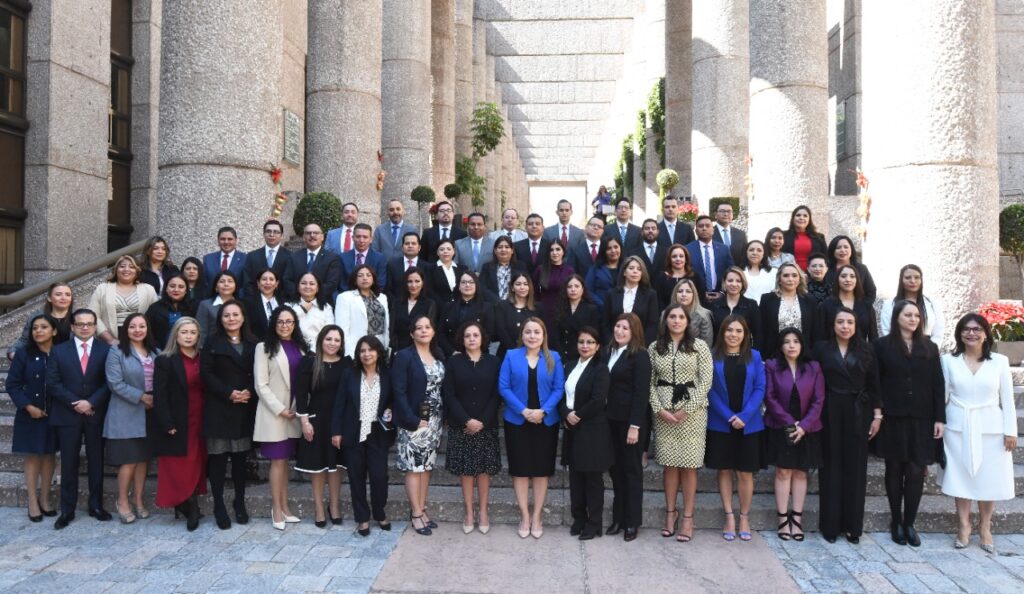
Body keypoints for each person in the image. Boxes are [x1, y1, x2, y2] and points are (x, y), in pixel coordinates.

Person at [940, 314, 1018, 553]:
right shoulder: (948, 361)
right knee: (961, 476)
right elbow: (942, 396)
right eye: (966, 329)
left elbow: (1007, 399)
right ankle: (963, 525)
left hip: (991, 429)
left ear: (985, 333)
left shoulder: (1000, 361)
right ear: (959, 334)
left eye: (976, 329)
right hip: (957, 427)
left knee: (988, 478)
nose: (971, 333)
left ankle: (985, 526)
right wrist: (938, 422)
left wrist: (1010, 431)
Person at [873, 300, 945, 547]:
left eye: (916, 315)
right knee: (894, 469)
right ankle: (896, 520)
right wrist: (878, 412)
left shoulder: (929, 347)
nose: (913, 319)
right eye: (908, 315)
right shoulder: (881, 346)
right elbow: (875, 382)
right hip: (892, 417)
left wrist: (939, 418)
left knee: (915, 470)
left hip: (922, 418)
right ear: (897, 317)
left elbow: (938, 384)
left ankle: (909, 523)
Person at [813, 307, 882, 544]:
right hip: (829, 410)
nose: (845, 326)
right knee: (830, 466)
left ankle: (853, 527)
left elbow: (874, 384)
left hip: (858, 411)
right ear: (833, 325)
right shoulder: (821, 348)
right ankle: (830, 526)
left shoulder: (867, 349)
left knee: (856, 468)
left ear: (856, 326)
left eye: (849, 322)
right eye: (840, 322)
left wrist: (877, 416)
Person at [649, 304, 714, 543]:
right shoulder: (654, 347)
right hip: (663, 412)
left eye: (680, 317)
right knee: (669, 465)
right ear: (665, 320)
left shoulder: (699, 346)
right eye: (672, 317)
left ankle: (687, 517)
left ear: (688, 321)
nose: (676, 321)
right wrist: (659, 409)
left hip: (692, 413)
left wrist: (687, 409)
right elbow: (649, 382)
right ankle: (670, 513)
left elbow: (706, 381)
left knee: (689, 465)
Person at [499, 318, 565, 539]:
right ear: (522, 335)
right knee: (520, 469)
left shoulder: (554, 357)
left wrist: (543, 411)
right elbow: (504, 387)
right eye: (528, 332)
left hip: (545, 422)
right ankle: (524, 516)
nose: (532, 336)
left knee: (541, 470)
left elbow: (558, 388)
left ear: (544, 335)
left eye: (537, 332)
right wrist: (524, 410)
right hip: (517, 421)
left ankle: (537, 516)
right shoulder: (511, 356)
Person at [46, 308, 112, 528]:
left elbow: (109, 382)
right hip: (68, 414)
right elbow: (53, 383)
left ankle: (96, 506)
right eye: (80, 324)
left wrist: (91, 402)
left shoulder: (106, 350)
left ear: (95, 326)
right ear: (72, 327)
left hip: (96, 413)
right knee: (69, 463)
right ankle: (67, 510)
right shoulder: (58, 351)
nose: (85, 327)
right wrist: (77, 403)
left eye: (90, 324)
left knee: (96, 461)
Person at [705, 315, 766, 542]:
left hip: (749, 424)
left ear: (745, 334)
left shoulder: (755, 356)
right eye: (729, 330)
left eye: (739, 331)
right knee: (724, 470)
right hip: (721, 423)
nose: (734, 335)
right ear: (722, 333)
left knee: (745, 472)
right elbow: (709, 389)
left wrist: (745, 416)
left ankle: (744, 517)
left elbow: (760, 388)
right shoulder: (712, 356)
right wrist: (730, 417)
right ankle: (729, 516)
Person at [200, 300, 258, 529]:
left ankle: (239, 503)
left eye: (235, 314)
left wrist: (249, 391)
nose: (231, 319)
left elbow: (260, 373)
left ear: (243, 317)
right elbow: (206, 373)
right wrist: (229, 393)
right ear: (220, 319)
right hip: (219, 408)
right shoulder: (212, 342)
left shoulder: (253, 343)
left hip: (244, 407)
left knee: (240, 461)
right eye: (226, 315)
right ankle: (219, 506)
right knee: (218, 460)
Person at [763, 328, 824, 541]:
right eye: (787, 342)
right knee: (783, 472)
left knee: (800, 472)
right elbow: (769, 397)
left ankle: (797, 519)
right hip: (781, 425)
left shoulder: (814, 367)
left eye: (796, 341)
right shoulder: (771, 366)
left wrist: (804, 425)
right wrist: (790, 423)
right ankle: (782, 519)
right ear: (781, 346)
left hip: (808, 427)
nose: (791, 345)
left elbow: (819, 399)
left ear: (802, 345)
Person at [443, 322, 502, 534]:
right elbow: (449, 394)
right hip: (462, 426)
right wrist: (466, 420)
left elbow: (497, 394)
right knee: (466, 471)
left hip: (486, 426)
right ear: (462, 339)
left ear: (482, 338)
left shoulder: (494, 362)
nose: (471, 339)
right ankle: (469, 512)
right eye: (467, 335)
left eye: (475, 335)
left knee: (484, 471)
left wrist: (482, 421)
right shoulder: (454, 362)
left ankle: (483, 511)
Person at [333, 336, 395, 537]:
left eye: (370, 350)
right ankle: (362, 518)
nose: (366, 354)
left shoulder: (387, 375)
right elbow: (340, 404)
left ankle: (379, 512)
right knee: (356, 477)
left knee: (379, 476)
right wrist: (336, 431)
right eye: (362, 350)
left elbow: (393, 399)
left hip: (377, 433)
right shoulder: (349, 374)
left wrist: (390, 410)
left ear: (378, 352)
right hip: (353, 432)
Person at [392, 315, 447, 536]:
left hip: (434, 422)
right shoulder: (404, 356)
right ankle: (415, 513)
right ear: (412, 333)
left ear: (433, 331)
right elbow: (398, 391)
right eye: (419, 328)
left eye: (427, 327)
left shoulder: (438, 354)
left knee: (426, 467)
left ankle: (422, 509)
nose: (424, 331)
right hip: (413, 421)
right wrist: (412, 419)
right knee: (414, 468)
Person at [254, 306, 307, 530]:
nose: (285, 326)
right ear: (274, 324)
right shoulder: (263, 347)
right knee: (277, 462)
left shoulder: (301, 347)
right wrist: (280, 409)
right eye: (280, 322)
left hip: (293, 412)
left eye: (289, 322)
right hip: (274, 413)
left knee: (285, 462)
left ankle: (285, 507)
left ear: (295, 324)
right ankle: (276, 508)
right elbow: (261, 384)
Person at [152, 317, 206, 531]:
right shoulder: (165, 360)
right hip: (178, 420)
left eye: (193, 332)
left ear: (198, 336)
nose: (188, 336)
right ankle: (189, 506)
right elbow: (160, 395)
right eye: (184, 332)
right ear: (175, 335)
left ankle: (188, 502)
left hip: (201, 417)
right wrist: (167, 423)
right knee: (181, 464)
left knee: (197, 462)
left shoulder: (204, 357)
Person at [103, 313, 157, 524]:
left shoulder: (155, 351)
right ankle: (122, 501)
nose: (137, 330)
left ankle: (138, 499)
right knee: (129, 460)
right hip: (126, 412)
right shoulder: (116, 351)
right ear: (125, 329)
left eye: (142, 326)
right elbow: (114, 383)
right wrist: (141, 396)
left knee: (143, 459)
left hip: (150, 412)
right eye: (132, 326)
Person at [560, 327, 612, 541]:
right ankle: (579, 518)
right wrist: (566, 413)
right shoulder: (569, 366)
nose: (585, 346)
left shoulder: (601, 369)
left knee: (592, 479)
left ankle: (594, 523)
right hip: (572, 428)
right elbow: (560, 395)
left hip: (592, 429)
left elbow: (598, 400)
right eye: (581, 341)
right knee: (575, 477)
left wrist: (577, 415)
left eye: (590, 342)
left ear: (598, 346)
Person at [6, 314, 59, 521]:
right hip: (30, 413)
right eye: (35, 328)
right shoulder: (23, 354)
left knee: (49, 455)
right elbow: (12, 385)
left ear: (54, 331)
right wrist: (28, 407)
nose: (38, 331)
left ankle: (45, 499)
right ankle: (32, 501)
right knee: (33, 456)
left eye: (44, 327)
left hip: (55, 413)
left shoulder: (61, 352)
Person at [294, 326, 348, 527]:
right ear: (321, 340)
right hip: (316, 421)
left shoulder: (347, 363)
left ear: (341, 343)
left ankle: (334, 506)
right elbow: (300, 394)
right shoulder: (310, 362)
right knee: (317, 468)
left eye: (337, 340)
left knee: (336, 467)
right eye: (328, 339)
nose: (332, 343)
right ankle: (318, 508)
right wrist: (305, 422)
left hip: (339, 422)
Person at [605, 313, 652, 541]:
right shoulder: (609, 352)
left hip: (631, 423)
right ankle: (618, 519)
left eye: (625, 328)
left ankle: (632, 522)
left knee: (632, 472)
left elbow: (641, 393)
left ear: (634, 332)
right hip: (610, 420)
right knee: (616, 471)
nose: (620, 331)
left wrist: (635, 426)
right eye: (617, 326)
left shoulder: (640, 355)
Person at [88, 255, 159, 345]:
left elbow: (156, 317)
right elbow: (92, 315)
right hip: (108, 342)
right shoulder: (102, 288)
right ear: (116, 270)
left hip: (141, 341)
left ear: (137, 270)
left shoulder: (148, 289)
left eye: (131, 267)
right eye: (122, 266)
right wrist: (110, 339)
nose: (126, 269)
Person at [759, 262, 817, 360]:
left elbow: (815, 331)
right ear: (779, 279)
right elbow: (762, 330)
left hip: (803, 356)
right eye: (786, 275)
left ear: (800, 279)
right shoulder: (767, 299)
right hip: (774, 355)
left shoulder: (810, 300)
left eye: (794, 275)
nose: (790, 279)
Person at [879, 264, 945, 345]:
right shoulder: (889, 304)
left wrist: (931, 350)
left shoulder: (933, 304)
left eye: (917, 277)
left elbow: (938, 332)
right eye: (908, 278)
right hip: (897, 348)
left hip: (927, 349)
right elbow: (887, 331)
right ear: (901, 280)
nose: (913, 281)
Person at [8, 282, 74, 360]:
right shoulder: (36, 317)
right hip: (42, 361)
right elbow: (25, 340)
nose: (63, 298)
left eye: (68, 295)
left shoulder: (78, 318)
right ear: (49, 298)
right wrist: (13, 352)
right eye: (58, 294)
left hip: (69, 361)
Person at [335, 265, 389, 359]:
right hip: (357, 346)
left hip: (380, 345)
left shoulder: (382, 297)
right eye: (360, 275)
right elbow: (342, 329)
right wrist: (348, 353)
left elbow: (386, 326)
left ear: (373, 279)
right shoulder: (345, 297)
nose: (365, 278)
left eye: (368, 275)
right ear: (355, 280)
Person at [603, 255, 660, 344]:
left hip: (640, 345)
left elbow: (653, 324)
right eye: (631, 268)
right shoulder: (611, 294)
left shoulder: (650, 295)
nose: (635, 271)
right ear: (624, 272)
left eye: (639, 269)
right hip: (614, 344)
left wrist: (642, 345)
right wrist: (611, 343)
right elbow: (605, 323)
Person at [816, 264, 878, 344]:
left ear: (857, 280)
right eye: (843, 276)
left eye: (852, 276)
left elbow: (873, 337)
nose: (848, 279)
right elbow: (820, 336)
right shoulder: (826, 305)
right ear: (837, 280)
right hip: (832, 350)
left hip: (861, 350)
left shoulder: (867, 306)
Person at [437, 271, 493, 357]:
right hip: (452, 356)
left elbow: (488, 334)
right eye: (463, 282)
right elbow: (441, 333)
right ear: (459, 286)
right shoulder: (448, 307)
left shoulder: (486, 307)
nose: (467, 285)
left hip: (479, 355)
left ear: (476, 285)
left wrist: (474, 352)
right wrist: (452, 352)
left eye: (471, 282)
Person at [708, 267, 762, 347]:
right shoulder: (714, 305)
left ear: (743, 283)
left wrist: (755, 352)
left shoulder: (751, 305)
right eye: (730, 280)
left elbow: (758, 334)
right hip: (719, 351)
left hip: (744, 352)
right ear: (724, 283)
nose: (734, 284)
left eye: (738, 281)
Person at [289, 223, 342, 302]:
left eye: (316, 233)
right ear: (303, 237)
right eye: (308, 233)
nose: (312, 235)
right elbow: (288, 280)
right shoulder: (294, 257)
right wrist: (302, 296)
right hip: (297, 301)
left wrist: (312, 297)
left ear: (322, 237)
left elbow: (332, 283)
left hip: (322, 302)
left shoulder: (332, 258)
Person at [242, 219, 294, 300]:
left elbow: (290, 282)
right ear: (264, 234)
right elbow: (247, 282)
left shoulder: (291, 256)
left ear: (282, 235)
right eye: (268, 231)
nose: (271, 234)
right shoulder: (252, 256)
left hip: (282, 301)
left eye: (276, 232)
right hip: (256, 301)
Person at [389, 268, 438, 353]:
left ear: (423, 282)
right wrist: (395, 348)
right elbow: (392, 328)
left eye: (417, 281)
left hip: (420, 350)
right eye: (410, 281)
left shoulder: (429, 304)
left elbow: (429, 330)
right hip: (398, 350)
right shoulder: (397, 303)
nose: (413, 285)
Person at [553, 274, 602, 358]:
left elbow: (594, 336)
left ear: (583, 289)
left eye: (576, 286)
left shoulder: (591, 309)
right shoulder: (560, 308)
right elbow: (556, 335)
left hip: (583, 354)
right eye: (569, 287)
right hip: (563, 354)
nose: (573, 289)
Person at [687, 215, 733, 304]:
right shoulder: (687, 249)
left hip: (720, 298)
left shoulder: (724, 249)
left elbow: (730, 271)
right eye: (700, 226)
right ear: (696, 231)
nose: (704, 228)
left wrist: (723, 293)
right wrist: (700, 293)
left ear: (713, 230)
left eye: (707, 226)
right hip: (696, 298)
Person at [285, 272, 335, 349]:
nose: (307, 286)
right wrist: (302, 309)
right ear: (298, 287)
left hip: (318, 350)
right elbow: (285, 324)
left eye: (312, 284)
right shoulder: (288, 305)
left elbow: (329, 332)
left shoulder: (326, 308)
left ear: (318, 288)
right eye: (303, 283)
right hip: (293, 348)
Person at [494, 272, 538, 358]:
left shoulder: (537, 307)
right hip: (507, 353)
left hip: (531, 354)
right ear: (512, 288)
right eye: (518, 284)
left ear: (530, 287)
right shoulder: (502, 306)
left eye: (525, 284)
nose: (522, 287)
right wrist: (515, 352)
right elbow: (501, 330)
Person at [146, 274, 196, 348]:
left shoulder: (194, 307)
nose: (176, 290)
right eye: (172, 286)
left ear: (186, 290)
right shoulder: (155, 308)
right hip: (160, 350)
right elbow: (148, 333)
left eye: (181, 287)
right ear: (166, 288)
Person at [533, 240, 575, 329]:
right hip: (544, 311)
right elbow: (534, 291)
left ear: (563, 252)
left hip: (564, 310)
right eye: (551, 250)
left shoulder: (569, 271)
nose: (554, 253)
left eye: (558, 249)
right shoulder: (540, 270)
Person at [824, 235, 877, 301]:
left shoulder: (862, 269)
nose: (842, 250)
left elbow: (871, 292)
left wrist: (863, 306)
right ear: (832, 251)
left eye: (846, 247)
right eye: (838, 248)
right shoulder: (826, 269)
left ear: (851, 249)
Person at [340, 223, 388, 292]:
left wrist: (366, 296)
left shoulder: (380, 259)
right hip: (347, 296)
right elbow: (341, 284)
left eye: (365, 237)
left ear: (371, 239)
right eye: (358, 236)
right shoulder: (343, 258)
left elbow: (380, 284)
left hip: (371, 296)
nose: (361, 240)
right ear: (353, 238)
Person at [480, 235, 527, 303]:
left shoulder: (520, 266)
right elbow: (482, 288)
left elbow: (525, 285)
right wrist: (499, 302)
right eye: (500, 247)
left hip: (515, 304)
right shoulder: (487, 267)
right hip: (493, 305)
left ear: (512, 251)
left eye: (507, 247)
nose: (503, 250)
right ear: (495, 251)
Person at [202, 226, 247, 297]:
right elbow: (205, 283)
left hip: (237, 300)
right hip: (213, 300)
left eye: (230, 239)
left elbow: (246, 284)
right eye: (223, 239)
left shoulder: (245, 259)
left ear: (236, 240)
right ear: (218, 241)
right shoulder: (208, 259)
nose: (226, 242)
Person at [670, 278, 714, 347]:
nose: (683, 294)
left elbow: (707, 344)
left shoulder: (703, 315)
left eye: (688, 291)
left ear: (694, 294)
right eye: (680, 291)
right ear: (675, 294)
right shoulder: (666, 314)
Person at [196, 271, 240, 340]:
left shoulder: (242, 305)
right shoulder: (205, 305)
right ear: (216, 287)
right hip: (212, 345)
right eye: (222, 281)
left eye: (230, 281)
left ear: (235, 286)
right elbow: (201, 331)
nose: (226, 284)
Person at [781, 205, 827, 271]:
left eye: (805, 216)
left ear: (809, 220)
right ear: (793, 218)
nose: (801, 218)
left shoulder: (819, 237)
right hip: (790, 274)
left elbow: (826, 258)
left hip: (814, 274)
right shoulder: (783, 236)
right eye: (798, 215)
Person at [244, 268, 283, 341]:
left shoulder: (283, 303)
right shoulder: (248, 303)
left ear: (277, 283)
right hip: (258, 343)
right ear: (258, 283)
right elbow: (247, 329)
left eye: (271, 279)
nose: (268, 282)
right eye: (264, 279)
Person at [655, 243, 697, 310]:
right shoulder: (661, 277)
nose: (678, 259)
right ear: (669, 259)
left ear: (686, 259)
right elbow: (659, 301)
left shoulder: (694, 276)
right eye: (674, 256)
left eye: (681, 256)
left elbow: (698, 299)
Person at [584, 235, 622, 308]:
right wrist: (603, 305)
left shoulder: (627, 267)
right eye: (609, 248)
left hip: (624, 310)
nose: (613, 251)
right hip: (600, 308)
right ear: (604, 251)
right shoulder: (595, 268)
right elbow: (588, 290)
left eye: (616, 247)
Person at [385, 232, 425, 300]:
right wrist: (396, 304)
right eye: (407, 243)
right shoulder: (392, 265)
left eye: (413, 243)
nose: (410, 246)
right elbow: (388, 289)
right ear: (402, 247)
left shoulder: (427, 267)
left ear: (419, 247)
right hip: (396, 304)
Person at [427, 239, 466, 304]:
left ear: (454, 251)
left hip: (460, 305)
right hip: (439, 306)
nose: (445, 251)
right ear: (437, 252)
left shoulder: (462, 269)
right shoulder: (430, 269)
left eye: (449, 249)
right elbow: (430, 291)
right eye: (442, 249)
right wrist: (443, 305)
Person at [567, 215, 606, 280]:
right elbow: (571, 273)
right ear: (586, 227)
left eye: (599, 226)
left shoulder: (607, 249)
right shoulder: (575, 250)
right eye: (593, 225)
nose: (596, 228)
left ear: (602, 231)